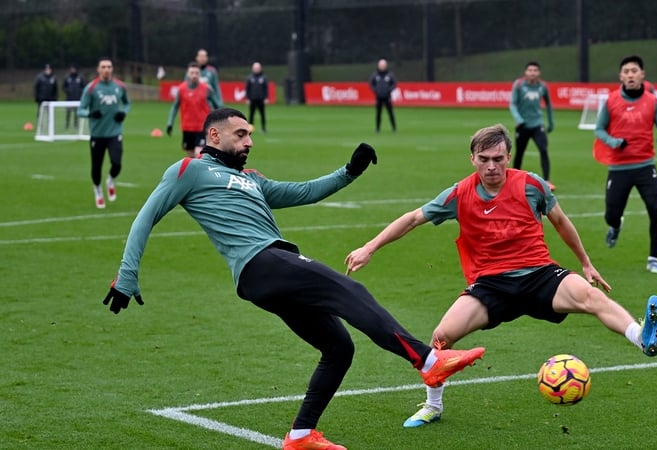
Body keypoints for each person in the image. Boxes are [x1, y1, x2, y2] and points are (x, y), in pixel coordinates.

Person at [100, 107, 485, 450]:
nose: (249, 141)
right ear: (214, 135)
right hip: (260, 263)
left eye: (250, 134)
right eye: (241, 134)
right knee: (348, 288)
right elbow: (145, 217)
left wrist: (350, 171)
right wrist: (127, 275)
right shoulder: (189, 170)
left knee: (338, 347)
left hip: (270, 274)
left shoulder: (251, 178)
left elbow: (304, 192)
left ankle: (301, 434)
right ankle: (427, 360)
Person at [345, 123, 657, 428]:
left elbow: (561, 222)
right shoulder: (459, 194)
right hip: (490, 286)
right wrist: (369, 247)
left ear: (508, 157)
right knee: (441, 336)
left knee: (590, 296)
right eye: (484, 159)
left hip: (539, 274)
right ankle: (433, 405)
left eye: (498, 159)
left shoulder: (531, 185)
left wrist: (585, 263)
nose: (491, 166)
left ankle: (642, 338)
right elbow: (413, 218)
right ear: (472, 159)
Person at [593, 55, 657, 274]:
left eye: (634, 71)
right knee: (611, 215)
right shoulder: (611, 101)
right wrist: (613, 142)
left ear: (642, 74)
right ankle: (616, 225)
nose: (630, 75)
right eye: (626, 71)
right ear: (620, 76)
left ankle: (653, 258)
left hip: (646, 166)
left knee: (655, 209)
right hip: (619, 167)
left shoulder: (653, 102)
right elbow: (599, 129)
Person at [78, 57, 131, 209]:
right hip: (97, 134)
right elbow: (80, 110)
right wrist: (90, 114)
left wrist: (123, 112)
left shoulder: (120, 86)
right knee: (96, 166)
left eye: (109, 66)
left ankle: (110, 180)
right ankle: (98, 190)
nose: (106, 69)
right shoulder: (91, 88)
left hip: (115, 132)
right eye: (103, 67)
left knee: (117, 163)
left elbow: (127, 103)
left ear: (112, 69)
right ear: (98, 69)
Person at [509, 61, 555, 191]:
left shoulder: (543, 86)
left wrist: (551, 122)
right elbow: (512, 104)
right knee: (519, 152)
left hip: (537, 124)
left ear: (539, 73)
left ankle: (547, 181)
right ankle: (513, 179)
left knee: (543, 149)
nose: (532, 73)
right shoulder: (518, 84)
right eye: (530, 70)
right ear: (525, 72)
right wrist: (518, 119)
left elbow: (549, 104)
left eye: (535, 70)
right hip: (522, 125)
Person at [167, 62, 221, 157]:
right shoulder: (181, 89)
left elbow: (218, 105)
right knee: (190, 155)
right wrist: (170, 122)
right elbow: (175, 106)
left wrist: (221, 120)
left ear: (200, 74)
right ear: (188, 74)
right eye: (192, 73)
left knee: (198, 153)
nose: (194, 75)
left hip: (202, 127)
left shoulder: (206, 89)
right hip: (187, 127)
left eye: (196, 73)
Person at [369, 58, 397, 133]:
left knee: (390, 113)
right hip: (378, 97)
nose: (382, 66)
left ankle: (394, 128)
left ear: (386, 66)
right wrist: (376, 90)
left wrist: (389, 90)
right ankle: (377, 129)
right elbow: (371, 84)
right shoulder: (375, 75)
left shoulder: (390, 75)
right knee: (378, 114)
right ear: (378, 66)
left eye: (383, 65)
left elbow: (394, 84)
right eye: (381, 65)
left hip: (387, 97)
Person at [244, 61, 268, 133]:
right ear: (252, 69)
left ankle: (263, 128)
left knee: (262, 114)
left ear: (260, 68)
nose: (256, 69)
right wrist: (247, 98)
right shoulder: (250, 77)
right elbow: (247, 89)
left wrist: (266, 98)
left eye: (258, 68)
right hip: (252, 99)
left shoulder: (263, 77)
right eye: (255, 68)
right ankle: (250, 128)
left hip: (261, 99)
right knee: (251, 114)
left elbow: (266, 88)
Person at [63, 64, 87, 129]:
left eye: (74, 69)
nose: (73, 70)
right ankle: (67, 124)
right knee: (68, 112)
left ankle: (76, 124)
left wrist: (80, 91)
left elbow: (84, 86)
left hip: (77, 98)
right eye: (71, 69)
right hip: (69, 98)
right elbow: (64, 86)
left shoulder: (80, 77)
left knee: (76, 112)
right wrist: (68, 91)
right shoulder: (67, 77)